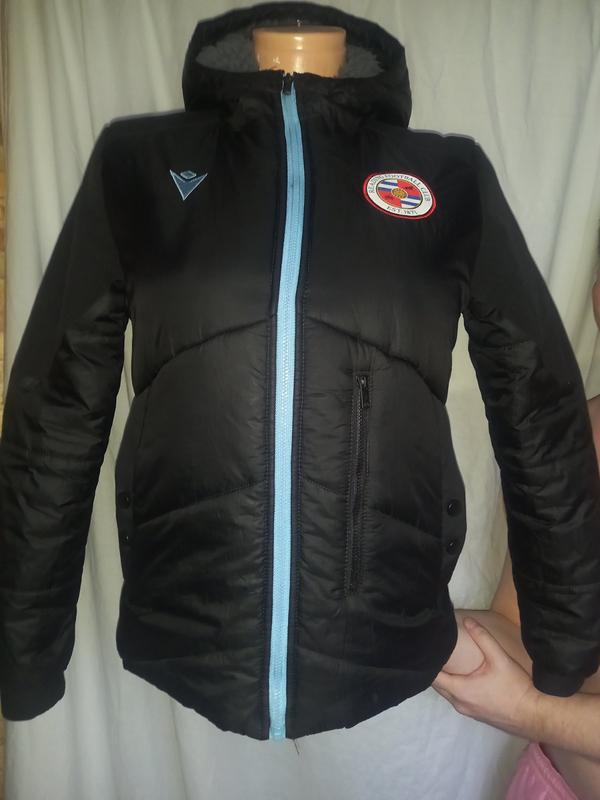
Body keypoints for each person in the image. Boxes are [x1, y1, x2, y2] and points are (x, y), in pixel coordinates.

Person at [432, 249, 600, 800]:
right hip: (549, 786)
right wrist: (399, 620)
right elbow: (521, 631)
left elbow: (527, 701)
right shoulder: (576, 442)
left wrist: (529, 710)